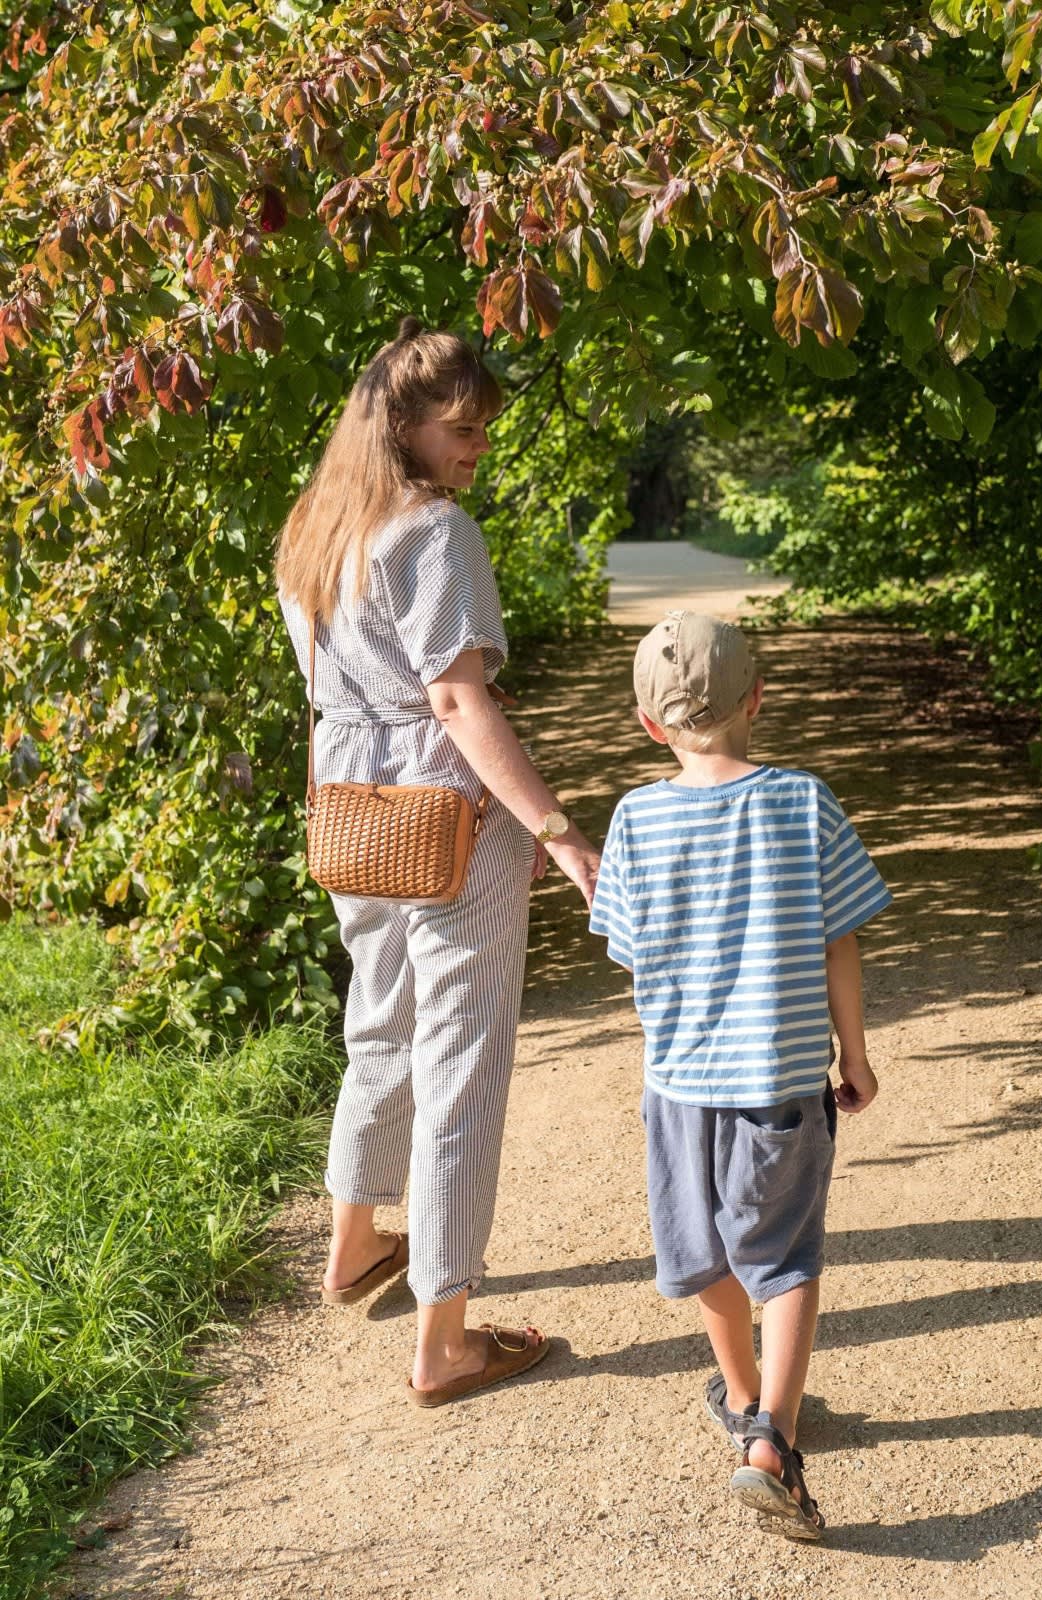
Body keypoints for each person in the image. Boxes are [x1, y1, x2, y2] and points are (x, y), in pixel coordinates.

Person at [275, 317, 600, 1407]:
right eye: (463, 430)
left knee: (381, 1021)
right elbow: (457, 701)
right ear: (404, 424)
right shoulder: (435, 532)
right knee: (461, 1053)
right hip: (447, 818)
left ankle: (354, 1246)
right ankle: (446, 1338)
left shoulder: (314, 531)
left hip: (352, 810)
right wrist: (555, 827)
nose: (478, 450)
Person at [588, 610, 891, 1539]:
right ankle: (773, 1442)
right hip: (780, 1080)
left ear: (649, 726)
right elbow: (841, 941)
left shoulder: (635, 817)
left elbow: (632, 957)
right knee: (788, 1255)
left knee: (705, 1253)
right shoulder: (805, 802)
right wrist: (856, 1053)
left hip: (679, 1085)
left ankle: (746, 1395)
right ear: (758, 698)